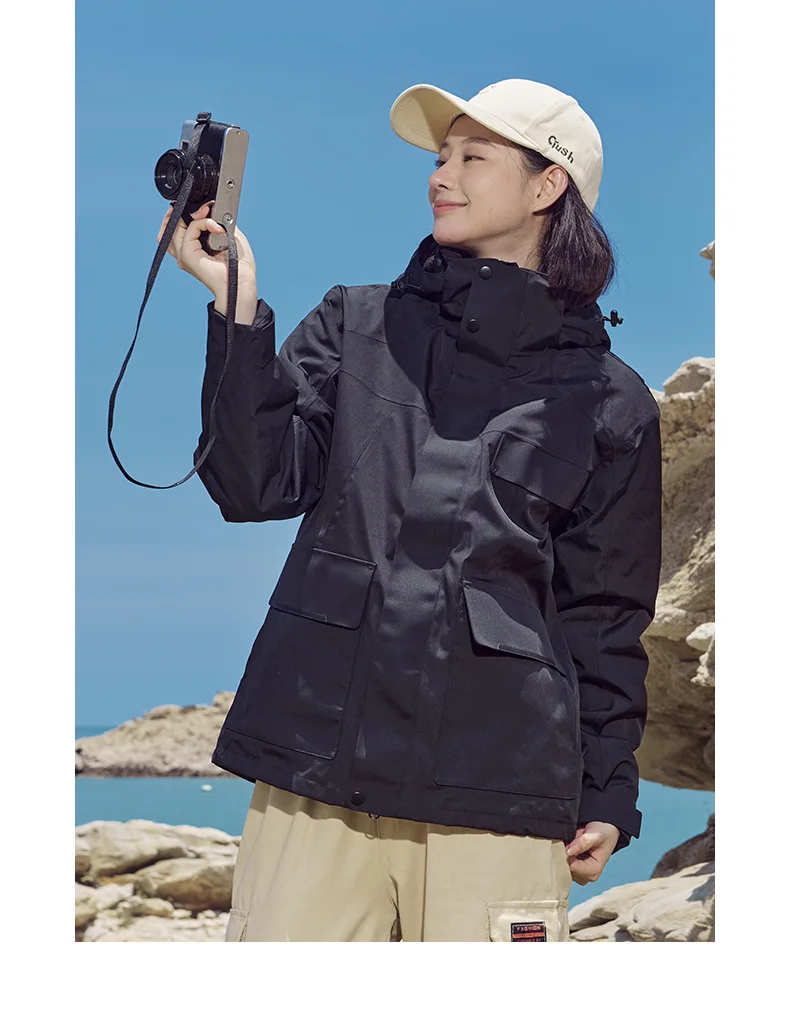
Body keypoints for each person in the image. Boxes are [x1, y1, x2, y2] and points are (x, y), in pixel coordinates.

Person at [156, 78, 662, 942]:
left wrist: (609, 790)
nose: (441, 174)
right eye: (439, 157)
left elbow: (605, 617)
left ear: (547, 186)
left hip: (499, 788)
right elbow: (253, 484)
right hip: (313, 772)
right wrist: (234, 307)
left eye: (473, 156)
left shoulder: (611, 403)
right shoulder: (355, 325)